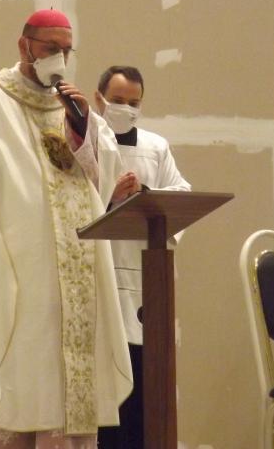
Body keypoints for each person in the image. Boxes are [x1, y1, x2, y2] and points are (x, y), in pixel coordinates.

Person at [0, 9, 133, 448]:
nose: (59, 58)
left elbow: (104, 179)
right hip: (19, 272)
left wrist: (82, 131)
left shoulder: (72, 107)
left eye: (66, 50)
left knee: (69, 389)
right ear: (24, 46)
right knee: (19, 380)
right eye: (50, 48)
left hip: (75, 271)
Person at [92, 66, 191, 449]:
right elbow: (70, 202)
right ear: (99, 98)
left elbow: (180, 194)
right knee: (107, 396)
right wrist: (110, 195)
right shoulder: (84, 143)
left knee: (142, 395)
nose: (126, 109)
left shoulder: (155, 147)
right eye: (118, 101)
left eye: (134, 103)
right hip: (99, 276)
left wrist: (144, 193)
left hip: (144, 280)